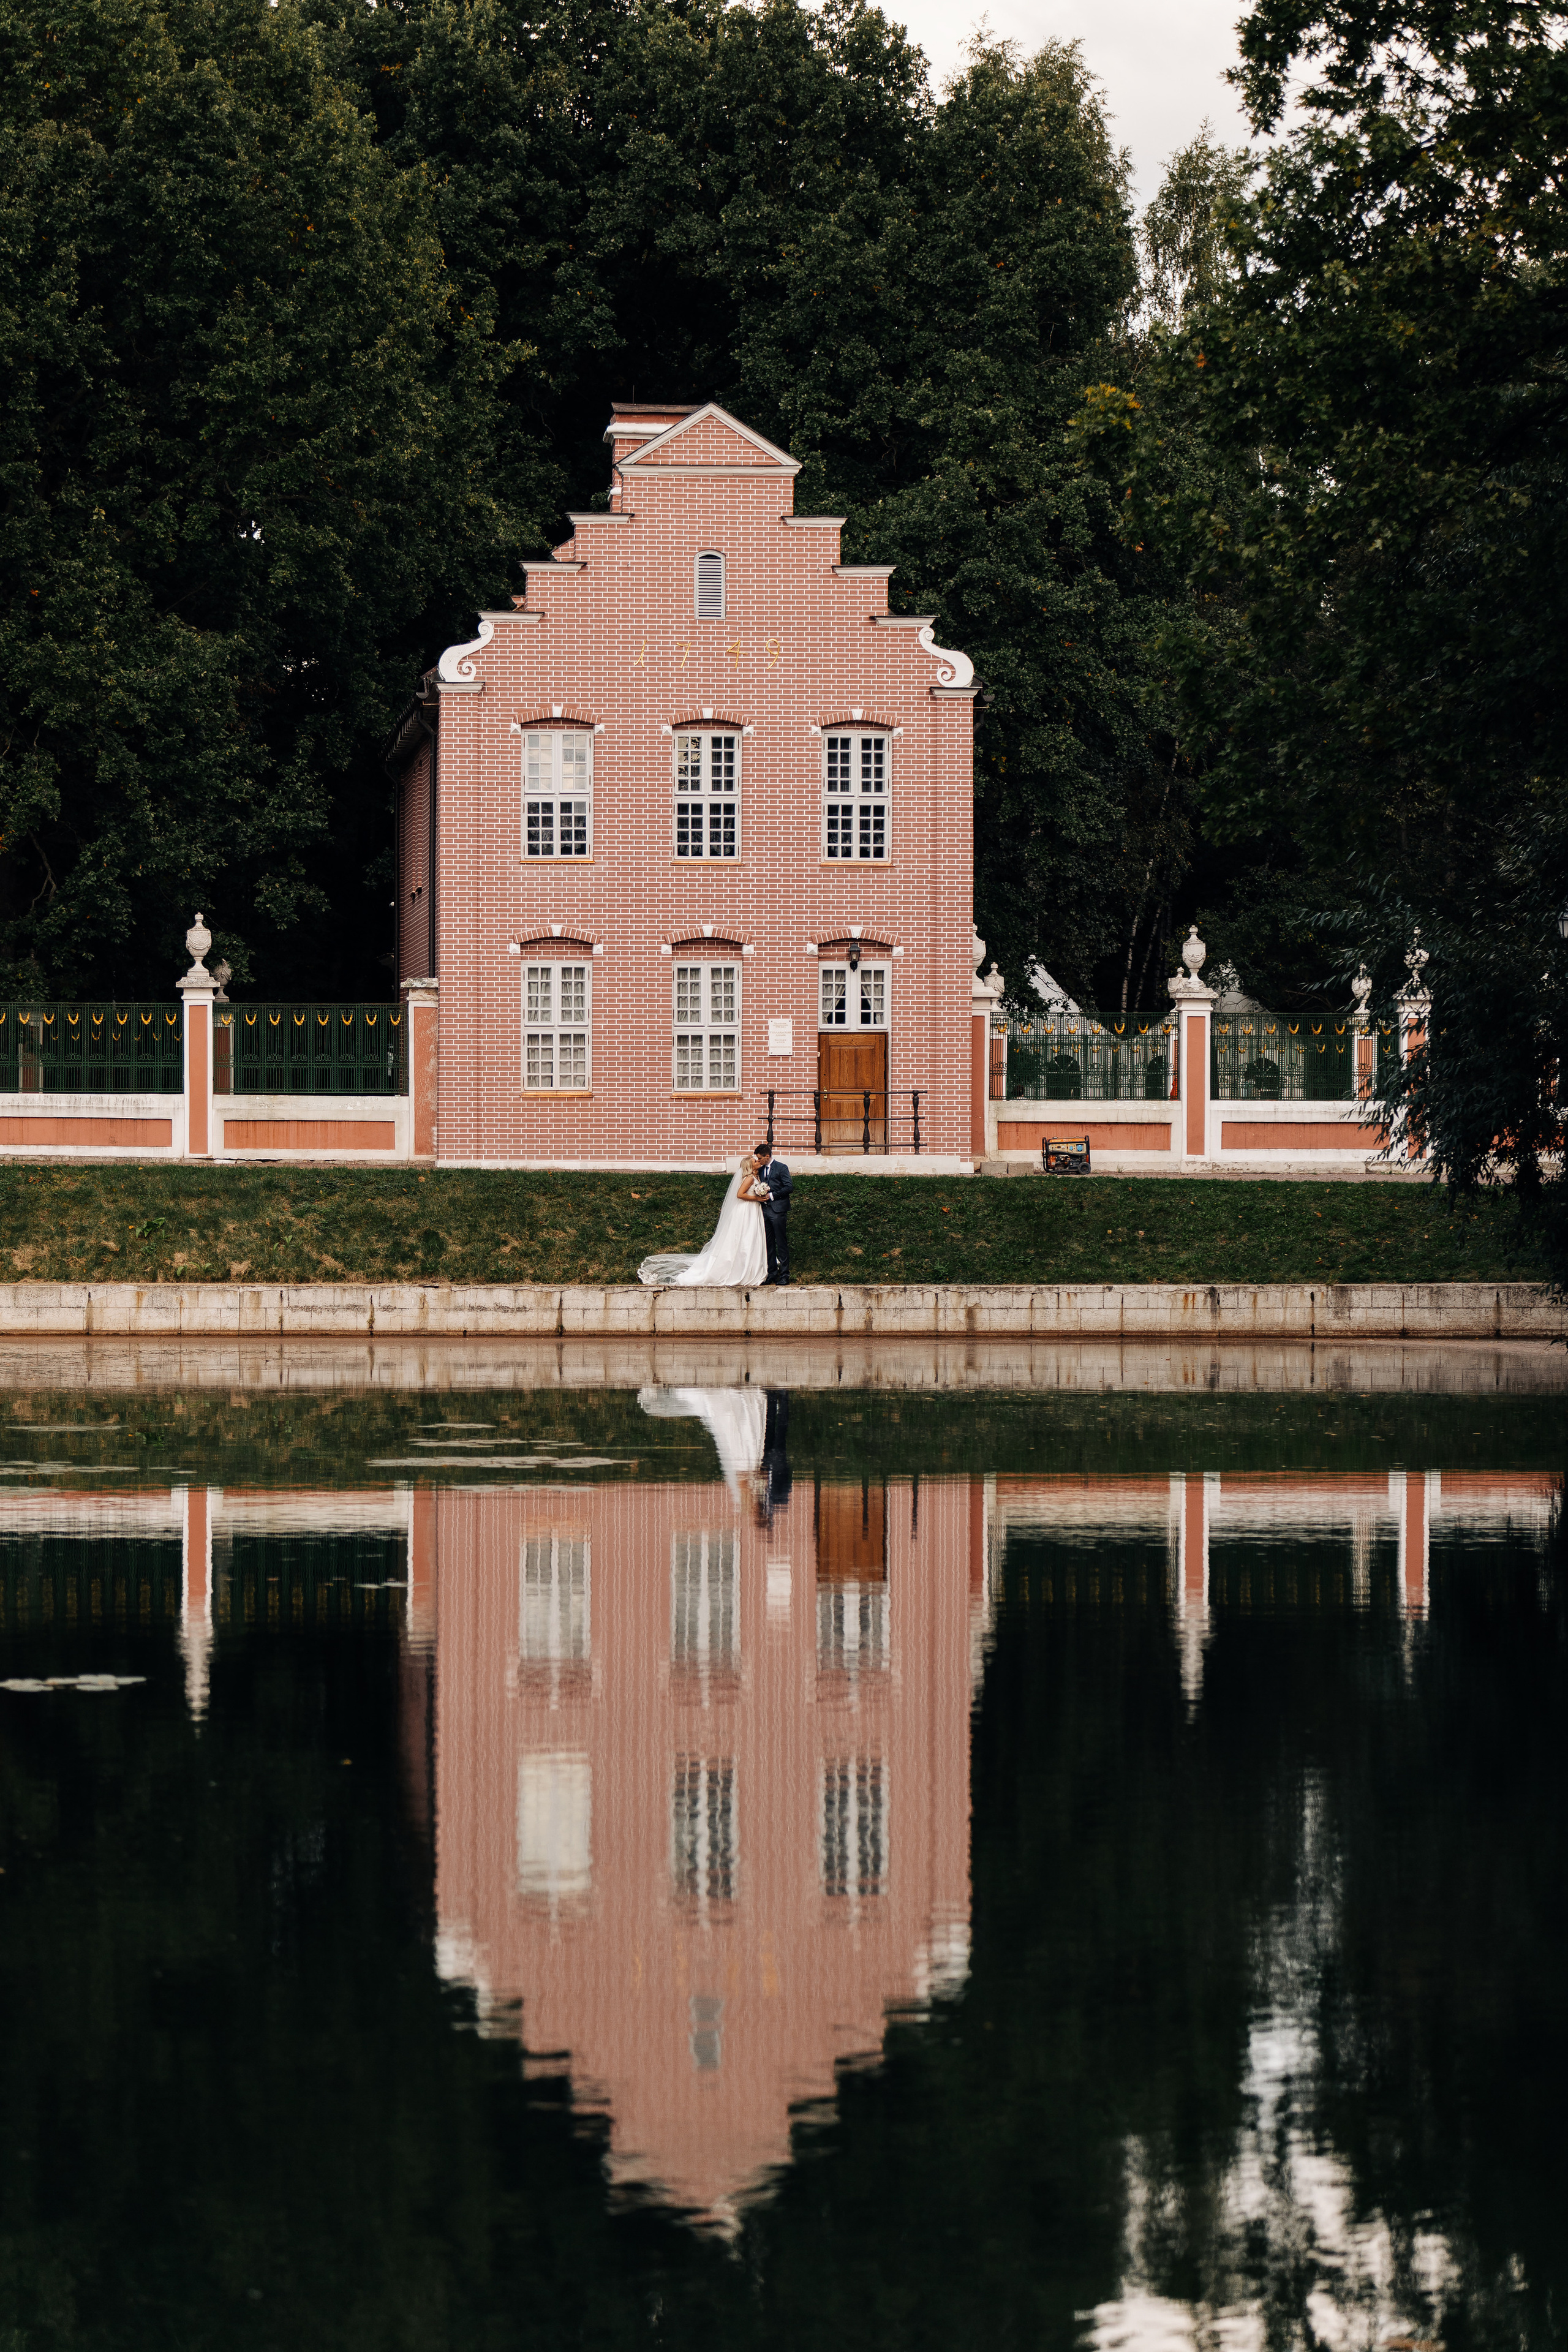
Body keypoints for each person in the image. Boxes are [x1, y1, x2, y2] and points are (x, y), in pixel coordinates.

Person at [637, 1153, 769, 1289]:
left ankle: (747, 1268)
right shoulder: (749, 1179)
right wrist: (758, 1198)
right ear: (750, 1166)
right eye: (755, 1161)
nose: (758, 1162)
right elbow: (740, 1195)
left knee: (749, 1238)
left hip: (751, 1210)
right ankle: (739, 1270)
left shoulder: (755, 1177)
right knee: (745, 1237)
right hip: (747, 1210)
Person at [753, 1141, 791, 1285]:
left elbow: (789, 1187)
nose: (758, 1161)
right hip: (765, 1210)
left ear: (767, 1156)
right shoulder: (761, 1170)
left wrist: (772, 1195)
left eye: (760, 1159)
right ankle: (772, 1274)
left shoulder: (781, 1168)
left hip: (778, 1210)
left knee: (781, 1243)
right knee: (768, 1243)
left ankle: (784, 1275)